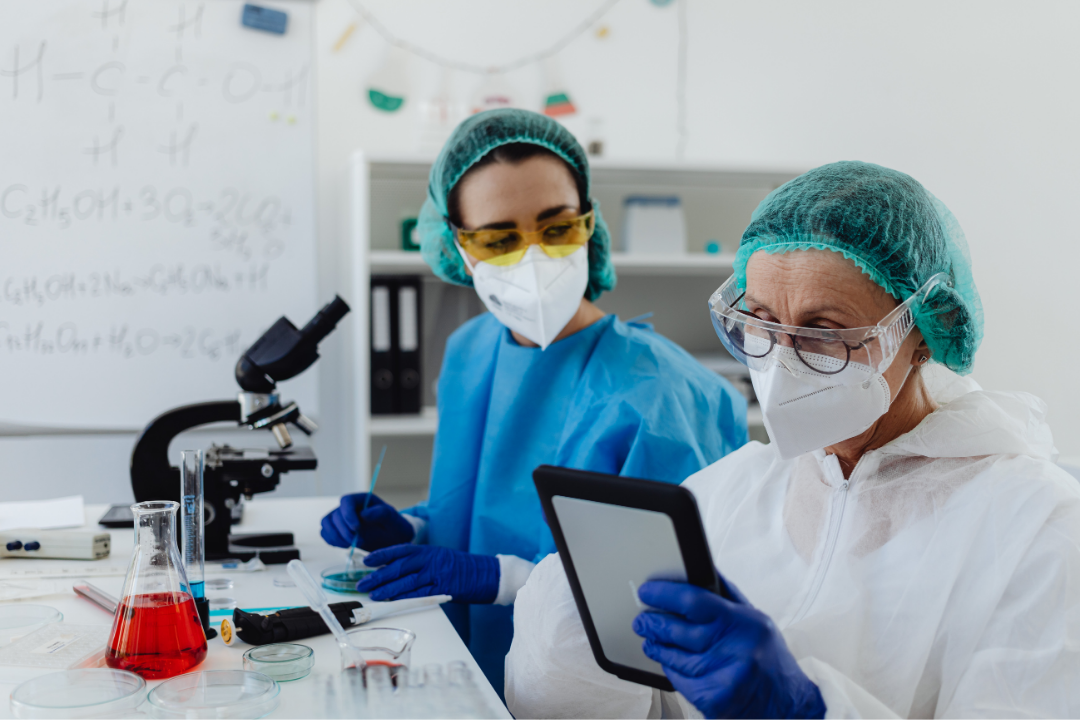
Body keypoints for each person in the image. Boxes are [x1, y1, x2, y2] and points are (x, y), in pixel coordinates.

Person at [506, 161, 1080, 718]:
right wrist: (569, 623)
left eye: (824, 332)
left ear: (924, 330)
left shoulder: (1037, 524)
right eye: (758, 321)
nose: (781, 363)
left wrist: (805, 710)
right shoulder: (732, 491)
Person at [320, 108, 749, 691]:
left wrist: (500, 578)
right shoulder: (471, 352)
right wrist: (414, 531)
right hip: (465, 671)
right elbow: (482, 510)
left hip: (596, 697)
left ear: (589, 224)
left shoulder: (666, 397)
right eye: (499, 239)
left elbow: (657, 610)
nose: (534, 257)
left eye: (557, 228)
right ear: (459, 249)